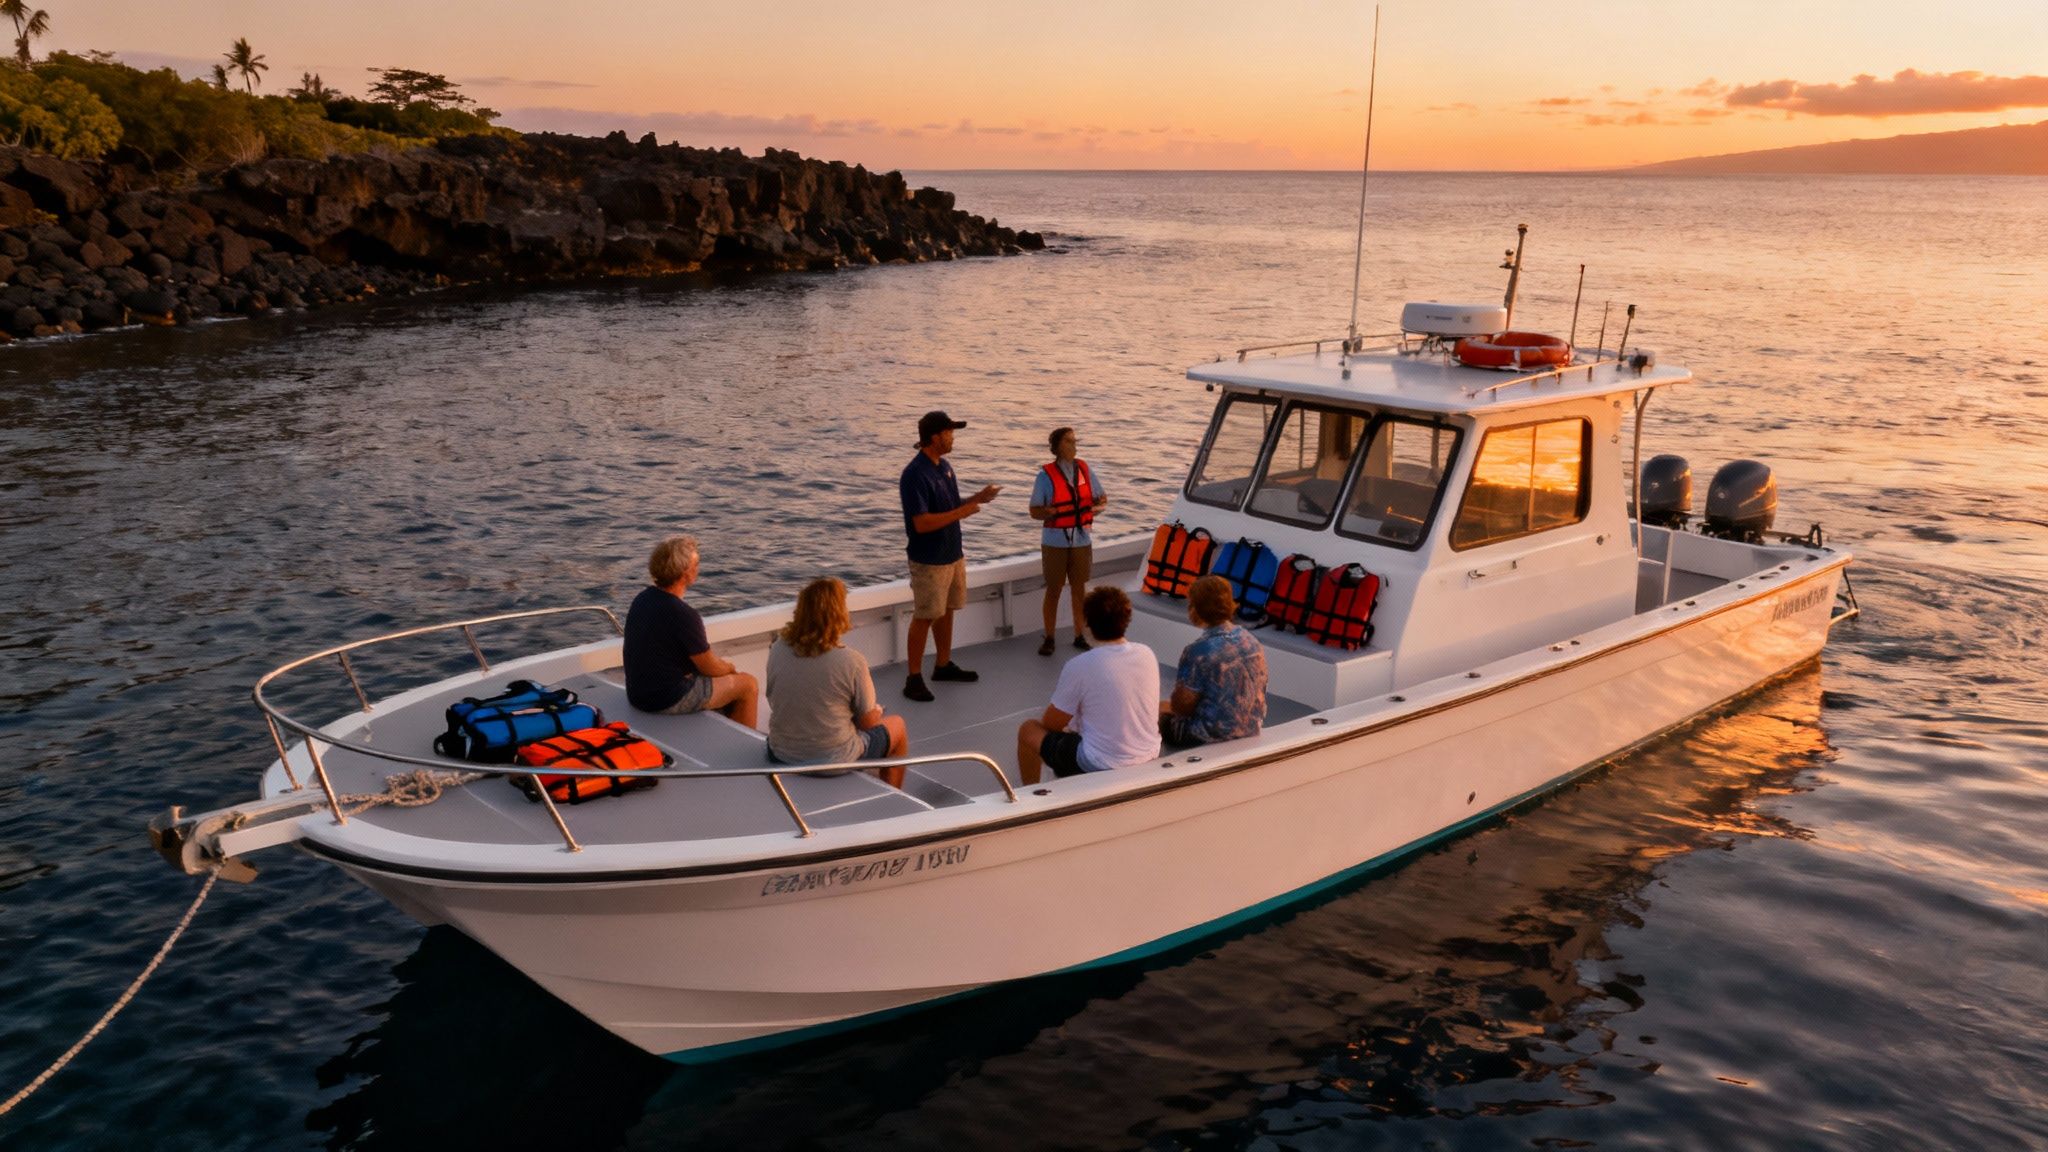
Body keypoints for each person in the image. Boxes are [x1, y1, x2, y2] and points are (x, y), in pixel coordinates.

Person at [766, 577, 909, 787]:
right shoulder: (852, 661)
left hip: (781, 755)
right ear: (838, 613)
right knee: (897, 726)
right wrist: (876, 713)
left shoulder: (778, 648)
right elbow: (868, 724)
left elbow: (773, 697)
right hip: (832, 760)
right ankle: (894, 797)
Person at [899, 409, 1000, 702]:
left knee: (947, 610)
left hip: (952, 553)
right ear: (934, 437)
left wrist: (977, 499)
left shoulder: (945, 467)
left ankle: (942, 664)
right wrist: (962, 512)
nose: (952, 437)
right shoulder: (915, 474)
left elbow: (950, 505)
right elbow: (921, 522)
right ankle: (913, 677)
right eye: (949, 432)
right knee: (925, 615)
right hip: (929, 559)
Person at [1016, 586, 1162, 784]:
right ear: (1127, 618)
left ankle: (1030, 796)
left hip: (1100, 761)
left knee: (1029, 729)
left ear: (1087, 622)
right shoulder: (1147, 653)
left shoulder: (1080, 665)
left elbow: (1051, 723)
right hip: (1149, 753)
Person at [622, 535, 759, 728]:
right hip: (664, 699)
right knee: (747, 685)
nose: (698, 569)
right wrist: (729, 669)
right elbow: (709, 667)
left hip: (638, 693)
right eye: (696, 564)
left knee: (720, 681)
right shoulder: (684, 614)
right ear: (685, 572)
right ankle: (745, 747)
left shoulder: (642, 599)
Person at [1160, 575, 1268, 746]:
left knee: (1157, 713)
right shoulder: (1252, 641)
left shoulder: (1197, 652)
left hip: (1208, 736)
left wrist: (1161, 707)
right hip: (1250, 728)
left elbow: (1182, 707)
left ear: (1196, 609)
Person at [1029, 425, 1109, 656]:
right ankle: (1050, 637)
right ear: (1056, 447)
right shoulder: (1045, 477)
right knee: (1053, 589)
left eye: (1074, 441)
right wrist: (1049, 512)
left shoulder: (1084, 470)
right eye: (1068, 441)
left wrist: (1094, 510)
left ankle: (1079, 635)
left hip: (1082, 539)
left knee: (1079, 589)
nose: (1074, 445)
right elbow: (1034, 511)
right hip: (1055, 541)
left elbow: (1101, 498)